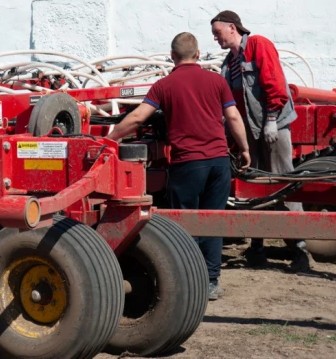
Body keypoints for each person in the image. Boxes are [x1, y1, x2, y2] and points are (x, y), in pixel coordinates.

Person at [107, 32, 250, 301]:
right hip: (219, 162)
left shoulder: (164, 85)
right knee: (214, 220)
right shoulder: (217, 81)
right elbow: (232, 116)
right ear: (198, 55)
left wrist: (108, 139)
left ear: (172, 57)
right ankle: (211, 282)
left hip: (188, 164)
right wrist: (244, 149)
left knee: (185, 222)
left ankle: (190, 281)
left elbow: (138, 117)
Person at [210, 10, 311, 272]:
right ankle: (257, 248)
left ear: (232, 28)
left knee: (283, 184)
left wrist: (272, 120)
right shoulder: (228, 63)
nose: (215, 39)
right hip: (250, 133)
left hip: (272, 128)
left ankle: (299, 251)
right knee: (254, 187)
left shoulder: (258, 45)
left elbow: (274, 84)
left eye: (217, 33)